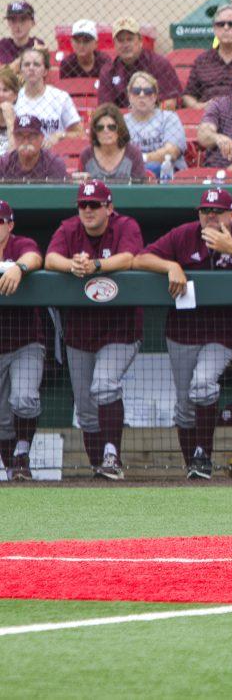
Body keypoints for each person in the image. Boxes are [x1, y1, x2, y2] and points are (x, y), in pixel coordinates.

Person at [133, 187, 232, 479]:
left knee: (202, 385)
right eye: (206, 211)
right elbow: (140, 259)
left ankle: (203, 455)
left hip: (223, 332)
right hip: (182, 331)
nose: (211, 217)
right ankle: (193, 464)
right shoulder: (184, 234)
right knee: (184, 407)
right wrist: (171, 265)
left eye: (218, 212)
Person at [44, 180, 143, 480]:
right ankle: (99, 468)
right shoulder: (69, 229)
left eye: (95, 205)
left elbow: (130, 257)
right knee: (85, 408)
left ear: (109, 208)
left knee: (104, 385)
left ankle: (112, 456)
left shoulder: (126, 225)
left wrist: (96, 266)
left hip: (119, 329)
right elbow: (50, 258)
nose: (87, 210)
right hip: (80, 331)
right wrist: (72, 265)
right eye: (83, 205)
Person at [0, 199, 44, 481]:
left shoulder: (20, 244)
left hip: (25, 340)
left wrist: (18, 268)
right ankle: (14, 469)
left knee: (24, 398)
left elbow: (35, 257)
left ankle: (22, 452)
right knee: (2, 420)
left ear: (10, 224)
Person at [98, 17, 182, 109]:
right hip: (121, 121)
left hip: (156, 120)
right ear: (114, 44)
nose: (125, 45)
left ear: (140, 41)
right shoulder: (108, 71)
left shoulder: (159, 64)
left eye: (130, 39)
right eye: (121, 40)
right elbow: (105, 108)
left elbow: (170, 103)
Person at [14, 47, 83, 147]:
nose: (31, 68)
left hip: (54, 156)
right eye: (26, 64)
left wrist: (60, 135)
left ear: (45, 71)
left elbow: (79, 133)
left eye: (36, 64)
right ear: (20, 71)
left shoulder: (60, 97)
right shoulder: (14, 99)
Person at [123, 72, 187, 178]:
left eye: (147, 92)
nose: (142, 95)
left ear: (154, 97)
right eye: (136, 91)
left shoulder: (169, 118)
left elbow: (171, 153)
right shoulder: (122, 122)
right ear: (129, 96)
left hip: (167, 176)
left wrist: (142, 159)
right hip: (131, 175)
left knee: (154, 167)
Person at [79, 104, 147, 183]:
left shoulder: (133, 154)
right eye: (100, 128)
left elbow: (139, 189)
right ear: (95, 131)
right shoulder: (87, 155)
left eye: (111, 127)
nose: (105, 131)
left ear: (120, 129)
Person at [0, 115, 68, 180]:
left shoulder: (54, 164)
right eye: (20, 137)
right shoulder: (3, 164)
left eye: (31, 137)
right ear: (14, 138)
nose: (25, 142)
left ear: (41, 138)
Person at [0, 1, 41, 67]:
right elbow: (7, 71)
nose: (18, 25)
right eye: (13, 20)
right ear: (8, 23)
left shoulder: (37, 43)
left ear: (33, 23)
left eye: (23, 20)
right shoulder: (3, 45)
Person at [0, 67, 16, 155]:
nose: (0, 94)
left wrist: (10, 121)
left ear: (15, 95)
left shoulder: (24, 120)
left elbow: (15, 157)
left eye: (5, 90)